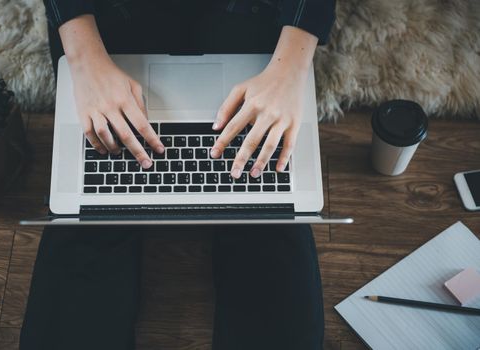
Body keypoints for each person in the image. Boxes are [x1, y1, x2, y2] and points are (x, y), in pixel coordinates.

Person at [20, 1, 335, 349]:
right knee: (93, 211)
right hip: (108, 15)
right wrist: (83, 58)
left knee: (263, 209)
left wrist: (291, 65)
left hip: (252, 11)